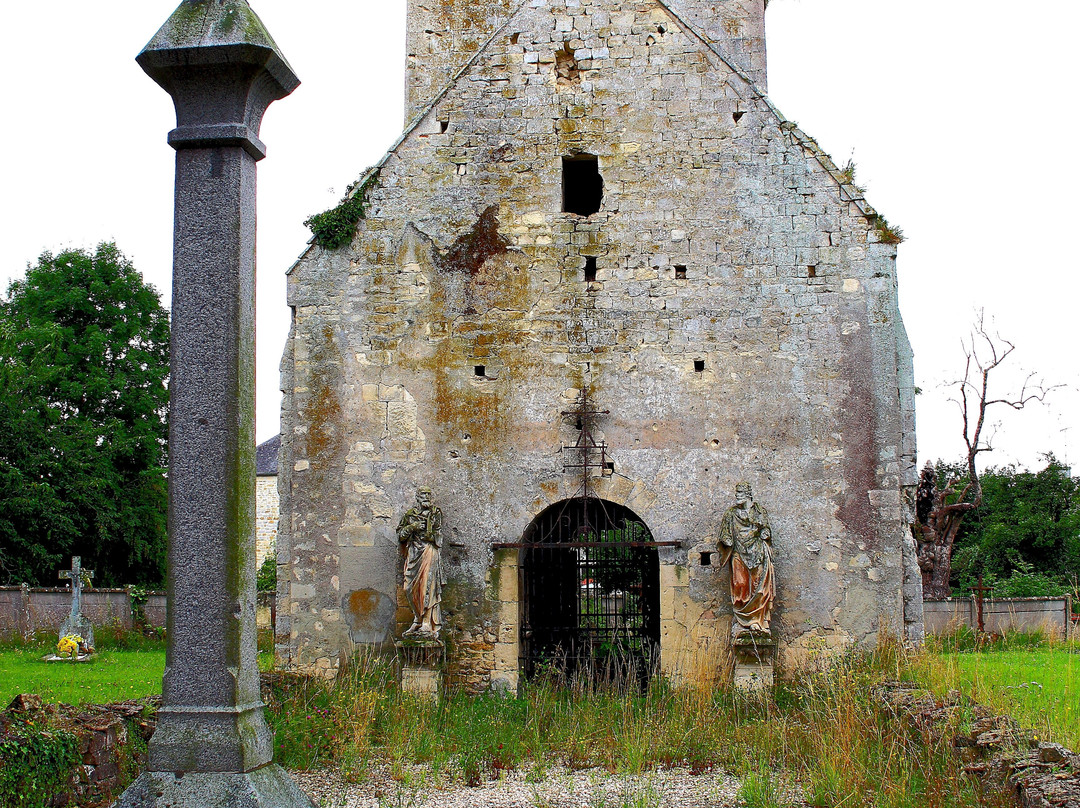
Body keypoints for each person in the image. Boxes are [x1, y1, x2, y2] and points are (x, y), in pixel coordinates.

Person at [716, 482, 775, 638]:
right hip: (738, 552)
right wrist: (726, 541)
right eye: (736, 494)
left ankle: (757, 620)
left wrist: (765, 534)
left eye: (740, 494)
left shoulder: (759, 512)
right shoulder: (730, 514)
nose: (737, 497)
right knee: (739, 583)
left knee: (758, 585)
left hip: (757, 552)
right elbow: (724, 535)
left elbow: (766, 529)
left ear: (748, 495)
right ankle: (744, 620)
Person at [397, 487, 444, 638]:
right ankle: (417, 618)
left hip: (429, 551)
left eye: (429, 495)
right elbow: (400, 535)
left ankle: (425, 621)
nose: (427, 498)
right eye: (424, 495)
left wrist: (430, 534)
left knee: (427, 586)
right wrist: (412, 527)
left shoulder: (435, 513)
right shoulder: (410, 515)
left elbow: (438, 536)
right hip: (413, 553)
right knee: (408, 588)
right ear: (417, 497)